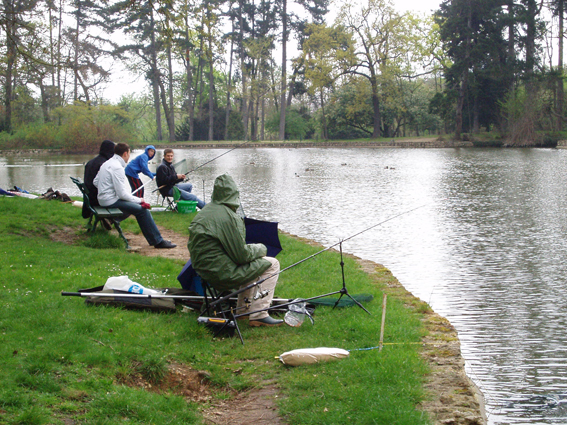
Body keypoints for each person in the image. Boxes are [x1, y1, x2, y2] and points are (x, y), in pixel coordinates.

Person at [188, 174, 282, 327]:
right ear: (234, 194)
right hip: (221, 274)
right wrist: (261, 248)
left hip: (203, 271)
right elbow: (241, 256)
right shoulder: (228, 217)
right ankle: (259, 314)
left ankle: (242, 311)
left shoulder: (205, 212)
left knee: (252, 265)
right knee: (272, 264)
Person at [93, 143, 176, 249]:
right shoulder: (118, 168)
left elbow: (95, 182)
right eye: (129, 153)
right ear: (125, 154)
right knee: (142, 210)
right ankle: (158, 241)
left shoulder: (107, 163)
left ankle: (112, 220)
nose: (129, 156)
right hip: (110, 200)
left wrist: (107, 189)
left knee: (132, 206)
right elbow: (122, 194)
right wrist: (139, 200)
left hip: (103, 199)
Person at [82, 140, 115, 219]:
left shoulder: (91, 162)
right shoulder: (104, 164)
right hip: (97, 199)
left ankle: (106, 220)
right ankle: (110, 219)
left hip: (89, 198)